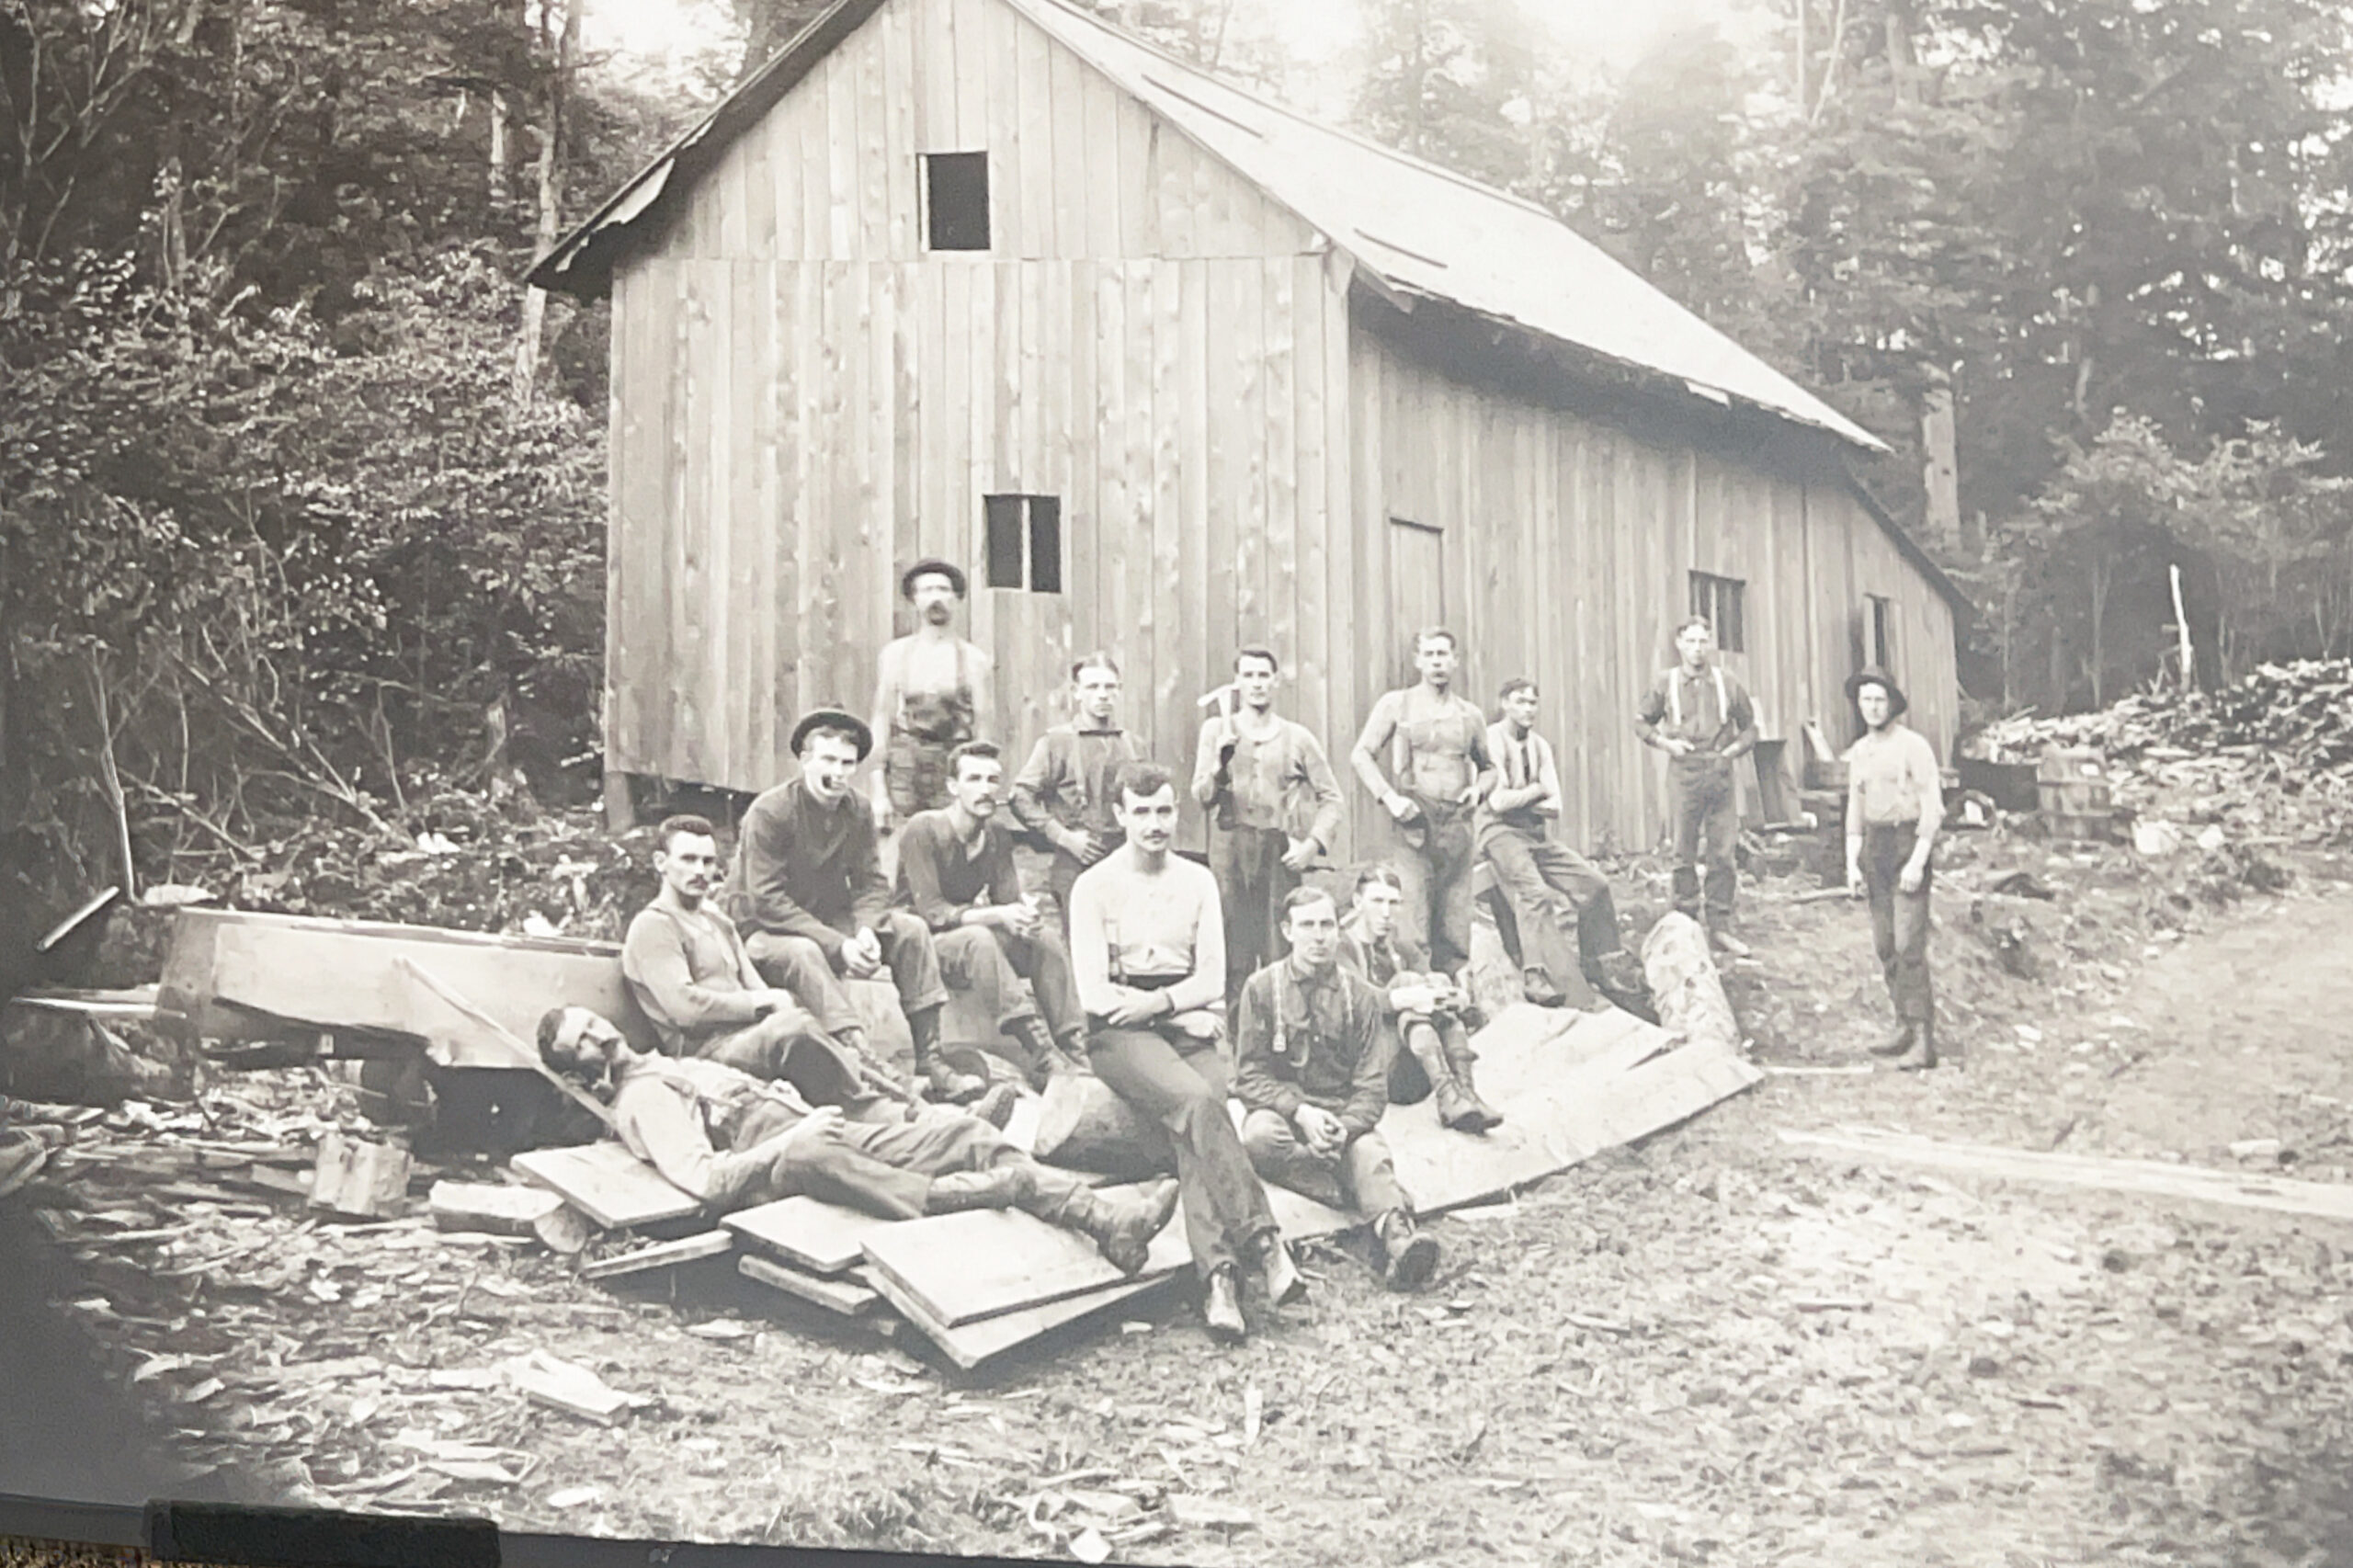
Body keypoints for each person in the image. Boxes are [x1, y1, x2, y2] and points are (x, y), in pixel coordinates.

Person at [536, 1006, 1178, 1268]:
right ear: (577, 1072)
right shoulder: (641, 1098)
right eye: (584, 1044)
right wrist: (792, 1137)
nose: (600, 1037)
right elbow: (707, 1183)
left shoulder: (661, 1065)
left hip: (813, 1128)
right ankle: (965, 1194)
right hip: (785, 1163)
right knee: (818, 1149)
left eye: (595, 1024)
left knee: (959, 1128)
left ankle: (1103, 1219)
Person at [1068, 761, 1299, 1346]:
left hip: (1180, 1022)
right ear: (1119, 815)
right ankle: (1265, 1242)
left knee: (1199, 1120)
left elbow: (1214, 981)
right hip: (1120, 1037)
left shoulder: (1197, 881)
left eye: (1164, 811)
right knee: (1199, 1101)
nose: (1154, 824)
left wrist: (1162, 1002)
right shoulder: (1093, 886)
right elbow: (1097, 996)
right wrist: (1170, 1006)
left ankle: (1218, 1280)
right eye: (1141, 812)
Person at [731, 708, 989, 1107]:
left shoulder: (857, 809)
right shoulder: (771, 812)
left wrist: (867, 929)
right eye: (828, 760)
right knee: (804, 951)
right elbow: (766, 900)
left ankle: (931, 1060)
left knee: (910, 930)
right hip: (763, 932)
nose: (838, 772)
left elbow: (871, 882)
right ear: (805, 761)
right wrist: (840, 944)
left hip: (826, 921)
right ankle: (864, 1062)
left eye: (847, 763)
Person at [1234, 888, 1440, 1291]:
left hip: (1341, 1121)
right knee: (1258, 1137)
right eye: (1307, 926)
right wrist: (1300, 1113)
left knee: (1370, 1151)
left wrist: (1344, 1126)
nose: (1319, 936)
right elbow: (1249, 1077)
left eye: (1327, 924)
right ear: (1287, 931)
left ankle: (1399, 1241)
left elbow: (1371, 1087)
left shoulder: (1359, 996)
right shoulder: (1261, 990)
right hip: (1284, 1116)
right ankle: (1347, 1189)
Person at [620, 812, 884, 1110]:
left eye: (707, 862)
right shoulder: (654, 926)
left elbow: (755, 986)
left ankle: (873, 1086)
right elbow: (685, 1010)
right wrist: (763, 1004)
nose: (700, 871)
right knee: (792, 1028)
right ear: (661, 863)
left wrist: (774, 1004)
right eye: (688, 859)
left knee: (802, 1022)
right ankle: (867, 1104)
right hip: (704, 1052)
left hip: (749, 1038)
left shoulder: (718, 922)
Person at [895, 742, 1089, 1088]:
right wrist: (998, 915)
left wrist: (1024, 915)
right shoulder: (922, 830)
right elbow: (933, 912)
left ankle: (1075, 1049)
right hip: (918, 944)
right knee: (979, 938)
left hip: (962, 935)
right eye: (974, 779)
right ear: (953, 787)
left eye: (992, 780)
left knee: (1041, 936)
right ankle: (1042, 1053)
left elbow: (1007, 899)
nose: (985, 789)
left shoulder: (996, 835)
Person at [1190, 646, 1347, 1000]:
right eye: (1248, 675)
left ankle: (1287, 1035)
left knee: (1282, 949)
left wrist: (1311, 845)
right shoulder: (1217, 729)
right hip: (1229, 854)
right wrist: (1219, 761)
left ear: (1276, 681)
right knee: (1234, 952)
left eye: (1264, 675)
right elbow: (1201, 797)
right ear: (1237, 683)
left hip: (1278, 855)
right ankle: (1238, 1043)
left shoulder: (1297, 737)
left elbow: (1333, 800)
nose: (1257, 684)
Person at [1478, 679, 1644, 1005]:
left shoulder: (1540, 746)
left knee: (1595, 885)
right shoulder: (1491, 740)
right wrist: (1536, 791)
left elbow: (1556, 806)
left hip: (1536, 835)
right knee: (1533, 891)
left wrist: (1526, 798)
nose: (1528, 709)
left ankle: (1598, 963)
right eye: (1520, 702)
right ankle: (1534, 974)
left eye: (1533, 702)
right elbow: (1497, 802)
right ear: (1504, 704)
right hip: (1499, 833)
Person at [1349, 629, 1497, 976]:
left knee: (1455, 919)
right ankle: (1417, 997)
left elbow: (1490, 769)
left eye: (1443, 654)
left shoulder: (1469, 715)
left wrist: (1478, 791)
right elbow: (1362, 755)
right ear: (1418, 661)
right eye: (1429, 655)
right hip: (1414, 824)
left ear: (1455, 661)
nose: (1436, 662)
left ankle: (1455, 1001)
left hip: (1457, 826)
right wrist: (1389, 798)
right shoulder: (1396, 704)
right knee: (1412, 916)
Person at [1338, 866, 1501, 1133]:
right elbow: (1359, 1001)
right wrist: (1411, 995)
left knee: (1432, 981)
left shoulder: (1402, 948)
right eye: (1377, 901)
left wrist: (1453, 996)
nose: (1386, 912)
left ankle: (1465, 1094)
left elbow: (1436, 993)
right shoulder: (1341, 947)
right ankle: (1449, 1094)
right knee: (1409, 982)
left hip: (1413, 1070)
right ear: (1358, 902)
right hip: (1365, 1073)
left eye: (1393, 903)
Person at [1635, 617, 1759, 957]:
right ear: (1679, 644)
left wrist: (1732, 751)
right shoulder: (1667, 682)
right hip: (1684, 774)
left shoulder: (1727, 682)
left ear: (1710, 644)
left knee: (1723, 854)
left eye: (1703, 641)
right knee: (1683, 853)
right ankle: (1684, 928)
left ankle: (1720, 927)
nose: (1697, 648)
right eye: (1690, 641)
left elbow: (1750, 729)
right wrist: (1666, 744)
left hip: (1719, 774)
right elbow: (1641, 722)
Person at [1842, 666, 1945, 1072]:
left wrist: (1918, 860)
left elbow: (1932, 806)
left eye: (1879, 700)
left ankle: (1923, 1040)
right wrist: (1851, 864)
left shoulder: (1913, 746)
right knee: (1885, 945)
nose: (1872, 707)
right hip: (1875, 849)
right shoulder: (1860, 752)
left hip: (1907, 845)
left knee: (1908, 945)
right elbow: (1854, 810)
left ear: (1892, 704)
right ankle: (1902, 1024)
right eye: (1865, 699)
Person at [1011, 653, 1145, 934]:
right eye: (1093, 687)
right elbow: (1020, 796)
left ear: (1119, 691)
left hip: (1126, 858)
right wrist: (1064, 837)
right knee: (1083, 948)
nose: (1103, 695)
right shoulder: (1056, 742)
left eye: (1110, 687)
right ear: (1076, 693)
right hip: (1077, 860)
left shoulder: (1133, 745)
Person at [869, 559, 994, 833]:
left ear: (957, 598)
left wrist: (979, 785)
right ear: (913, 600)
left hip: (950, 766)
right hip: (904, 769)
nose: (935, 598)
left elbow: (982, 728)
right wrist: (879, 790)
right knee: (899, 849)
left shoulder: (974, 660)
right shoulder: (895, 655)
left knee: (950, 844)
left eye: (943, 590)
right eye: (926, 590)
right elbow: (881, 719)